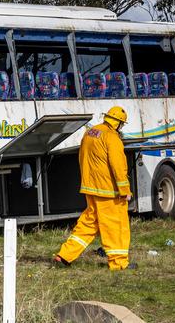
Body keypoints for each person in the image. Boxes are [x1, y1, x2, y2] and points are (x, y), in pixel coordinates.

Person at [53, 106, 135, 271]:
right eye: (122, 125)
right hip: (109, 191)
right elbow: (118, 167)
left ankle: (64, 256)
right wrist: (125, 191)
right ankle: (119, 263)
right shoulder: (112, 137)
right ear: (118, 123)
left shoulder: (91, 132)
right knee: (116, 226)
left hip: (91, 188)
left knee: (89, 224)